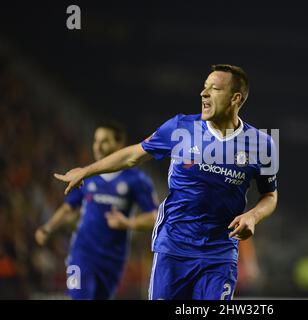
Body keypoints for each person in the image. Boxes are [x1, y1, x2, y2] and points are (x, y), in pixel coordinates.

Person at [54, 64, 278, 300]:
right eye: (204, 88)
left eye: (214, 89)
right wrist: (87, 171)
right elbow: (133, 155)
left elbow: (270, 196)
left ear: (236, 98)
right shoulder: (180, 127)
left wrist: (253, 216)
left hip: (219, 255)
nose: (204, 94)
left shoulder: (262, 145)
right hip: (173, 249)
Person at [36, 122, 158, 299]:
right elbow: (69, 208)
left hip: (113, 260)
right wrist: (48, 228)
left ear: (120, 143)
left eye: (105, 141)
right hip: (81, 254)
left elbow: (155, 217)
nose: (98, 146)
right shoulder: (87, 175)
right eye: (95, 141)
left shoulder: (137, 180)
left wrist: (129, 223)